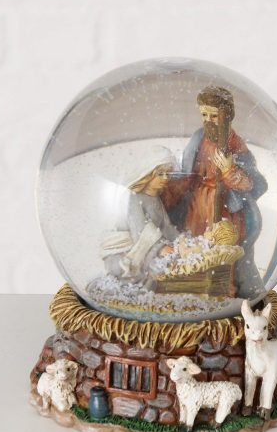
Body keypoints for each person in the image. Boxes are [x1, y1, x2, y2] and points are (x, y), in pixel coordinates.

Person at [162, 86, 267, 298]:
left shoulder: (235, 144)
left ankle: (223, 293)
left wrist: (229, 170)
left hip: (224, 208)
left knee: (220, 252)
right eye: (204, 115)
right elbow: (188, 172)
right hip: (196, 205)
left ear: (226, 115)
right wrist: (171, 188)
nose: (208, 120)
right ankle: (196, 290)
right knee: (196, 247)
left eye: (214, 115)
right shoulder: (198, 137)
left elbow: (252, 184)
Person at [101, 146, 179, 288]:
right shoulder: (133, 198)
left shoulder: (155, 198)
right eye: (160, 174)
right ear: (148, 174)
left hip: (146, 248)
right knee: (155, 271)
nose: (166, 178)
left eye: (168, 173)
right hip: (126, 254)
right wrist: (161, 248)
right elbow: (140, 232)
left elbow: (166, 227)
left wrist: (181, 240)